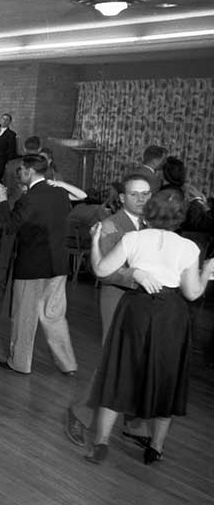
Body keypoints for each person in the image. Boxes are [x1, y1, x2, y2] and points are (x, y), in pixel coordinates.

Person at [84, 188, 214, 465]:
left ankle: (101, 443)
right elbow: (192, 293)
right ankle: (155, 447)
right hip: (170, 315)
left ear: (150, 210)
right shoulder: (188, 248)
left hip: (136, 310)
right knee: (166, 376)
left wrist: (95, 240)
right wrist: (207, 273)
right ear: (180, 216)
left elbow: (101, 270)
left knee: (120, 371)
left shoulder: (134, 238)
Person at [66, 174, 153, 447]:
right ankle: (81, 415)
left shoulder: (152, 224)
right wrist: (137, 276)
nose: (142, 199)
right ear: (123, 198)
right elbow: (105, 271)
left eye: (146, 193)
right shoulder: (111, 225)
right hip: (118, 297)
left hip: (146, 301)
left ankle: (133, 422)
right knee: (112, 360)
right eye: (135, 194)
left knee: (140, 359)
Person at [0, 154, 77, 376]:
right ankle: (68, 364)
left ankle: (20, 363)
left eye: (20, 169)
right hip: (58, 264)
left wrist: (1, 200)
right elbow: (80, 198)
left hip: (32, 266)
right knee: (54, 316)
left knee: (24, 317)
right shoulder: (59, 193)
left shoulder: (28, 199)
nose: (18, 173)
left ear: (30, 171)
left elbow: (10, 226)